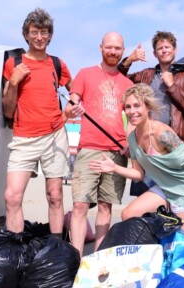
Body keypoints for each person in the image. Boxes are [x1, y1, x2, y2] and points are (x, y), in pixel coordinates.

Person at [89, 83, 184, 230]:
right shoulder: (133, 138)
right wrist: (114, 167)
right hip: (164, 188)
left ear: (148, 107)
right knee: (128, 214)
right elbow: (139, 174)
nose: (132, 111)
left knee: (178, 242)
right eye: (128, 107)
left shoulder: (162, 133)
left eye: (137, 105)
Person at [1, 8, 72, 235]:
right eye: (34, 32)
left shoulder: (57, 64)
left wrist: (73, 106)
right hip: (24, 137)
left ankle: (56, 248)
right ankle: (16, 249)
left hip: (55, 136)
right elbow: (8, 110)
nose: (39, 37)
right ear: (26, 35)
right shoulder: (14, 64)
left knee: (55, 195)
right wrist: (13, 83)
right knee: (12, 196)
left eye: (44, 32)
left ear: (50, 35)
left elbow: (76, 92)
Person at [65, 32, 134, 256]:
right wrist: (72, 109)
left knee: (106, 207)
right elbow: (69, 108)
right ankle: (75, 259)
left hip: (116, 153)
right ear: (101, 47)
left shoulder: (128, 83)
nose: (113, 52)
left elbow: (133, 119)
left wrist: (129, 142)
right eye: (109, 47)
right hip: (89, 149)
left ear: (123, 51)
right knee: (80, 205)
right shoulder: (85, 74)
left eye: (118, 48)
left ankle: (97, 257)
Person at [118, 31, 184, 196]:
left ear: (175, 50)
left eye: (167, 47)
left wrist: (172, 86)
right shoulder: (146, 75)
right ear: (154, 53)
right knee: (145, 201)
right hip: (147, 145)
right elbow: (117, 79)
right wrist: (129, 59)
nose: (164, 50)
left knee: (173, 200)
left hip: (174, 145)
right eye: (160, 48)